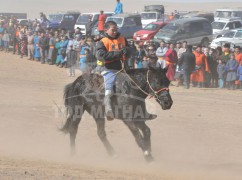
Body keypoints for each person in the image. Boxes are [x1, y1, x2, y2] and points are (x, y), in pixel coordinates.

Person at [96, 21, 129, 120]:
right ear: (106, 30)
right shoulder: (102, 41)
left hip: (123, 69)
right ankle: (108, 109)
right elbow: (101, 56)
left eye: (116, 30)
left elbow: (132, 50)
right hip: (108, 69)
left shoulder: (123, 39)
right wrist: (119, 53)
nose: (115, 32)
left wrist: (129, 51)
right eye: (112, 30)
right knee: (109, 89)